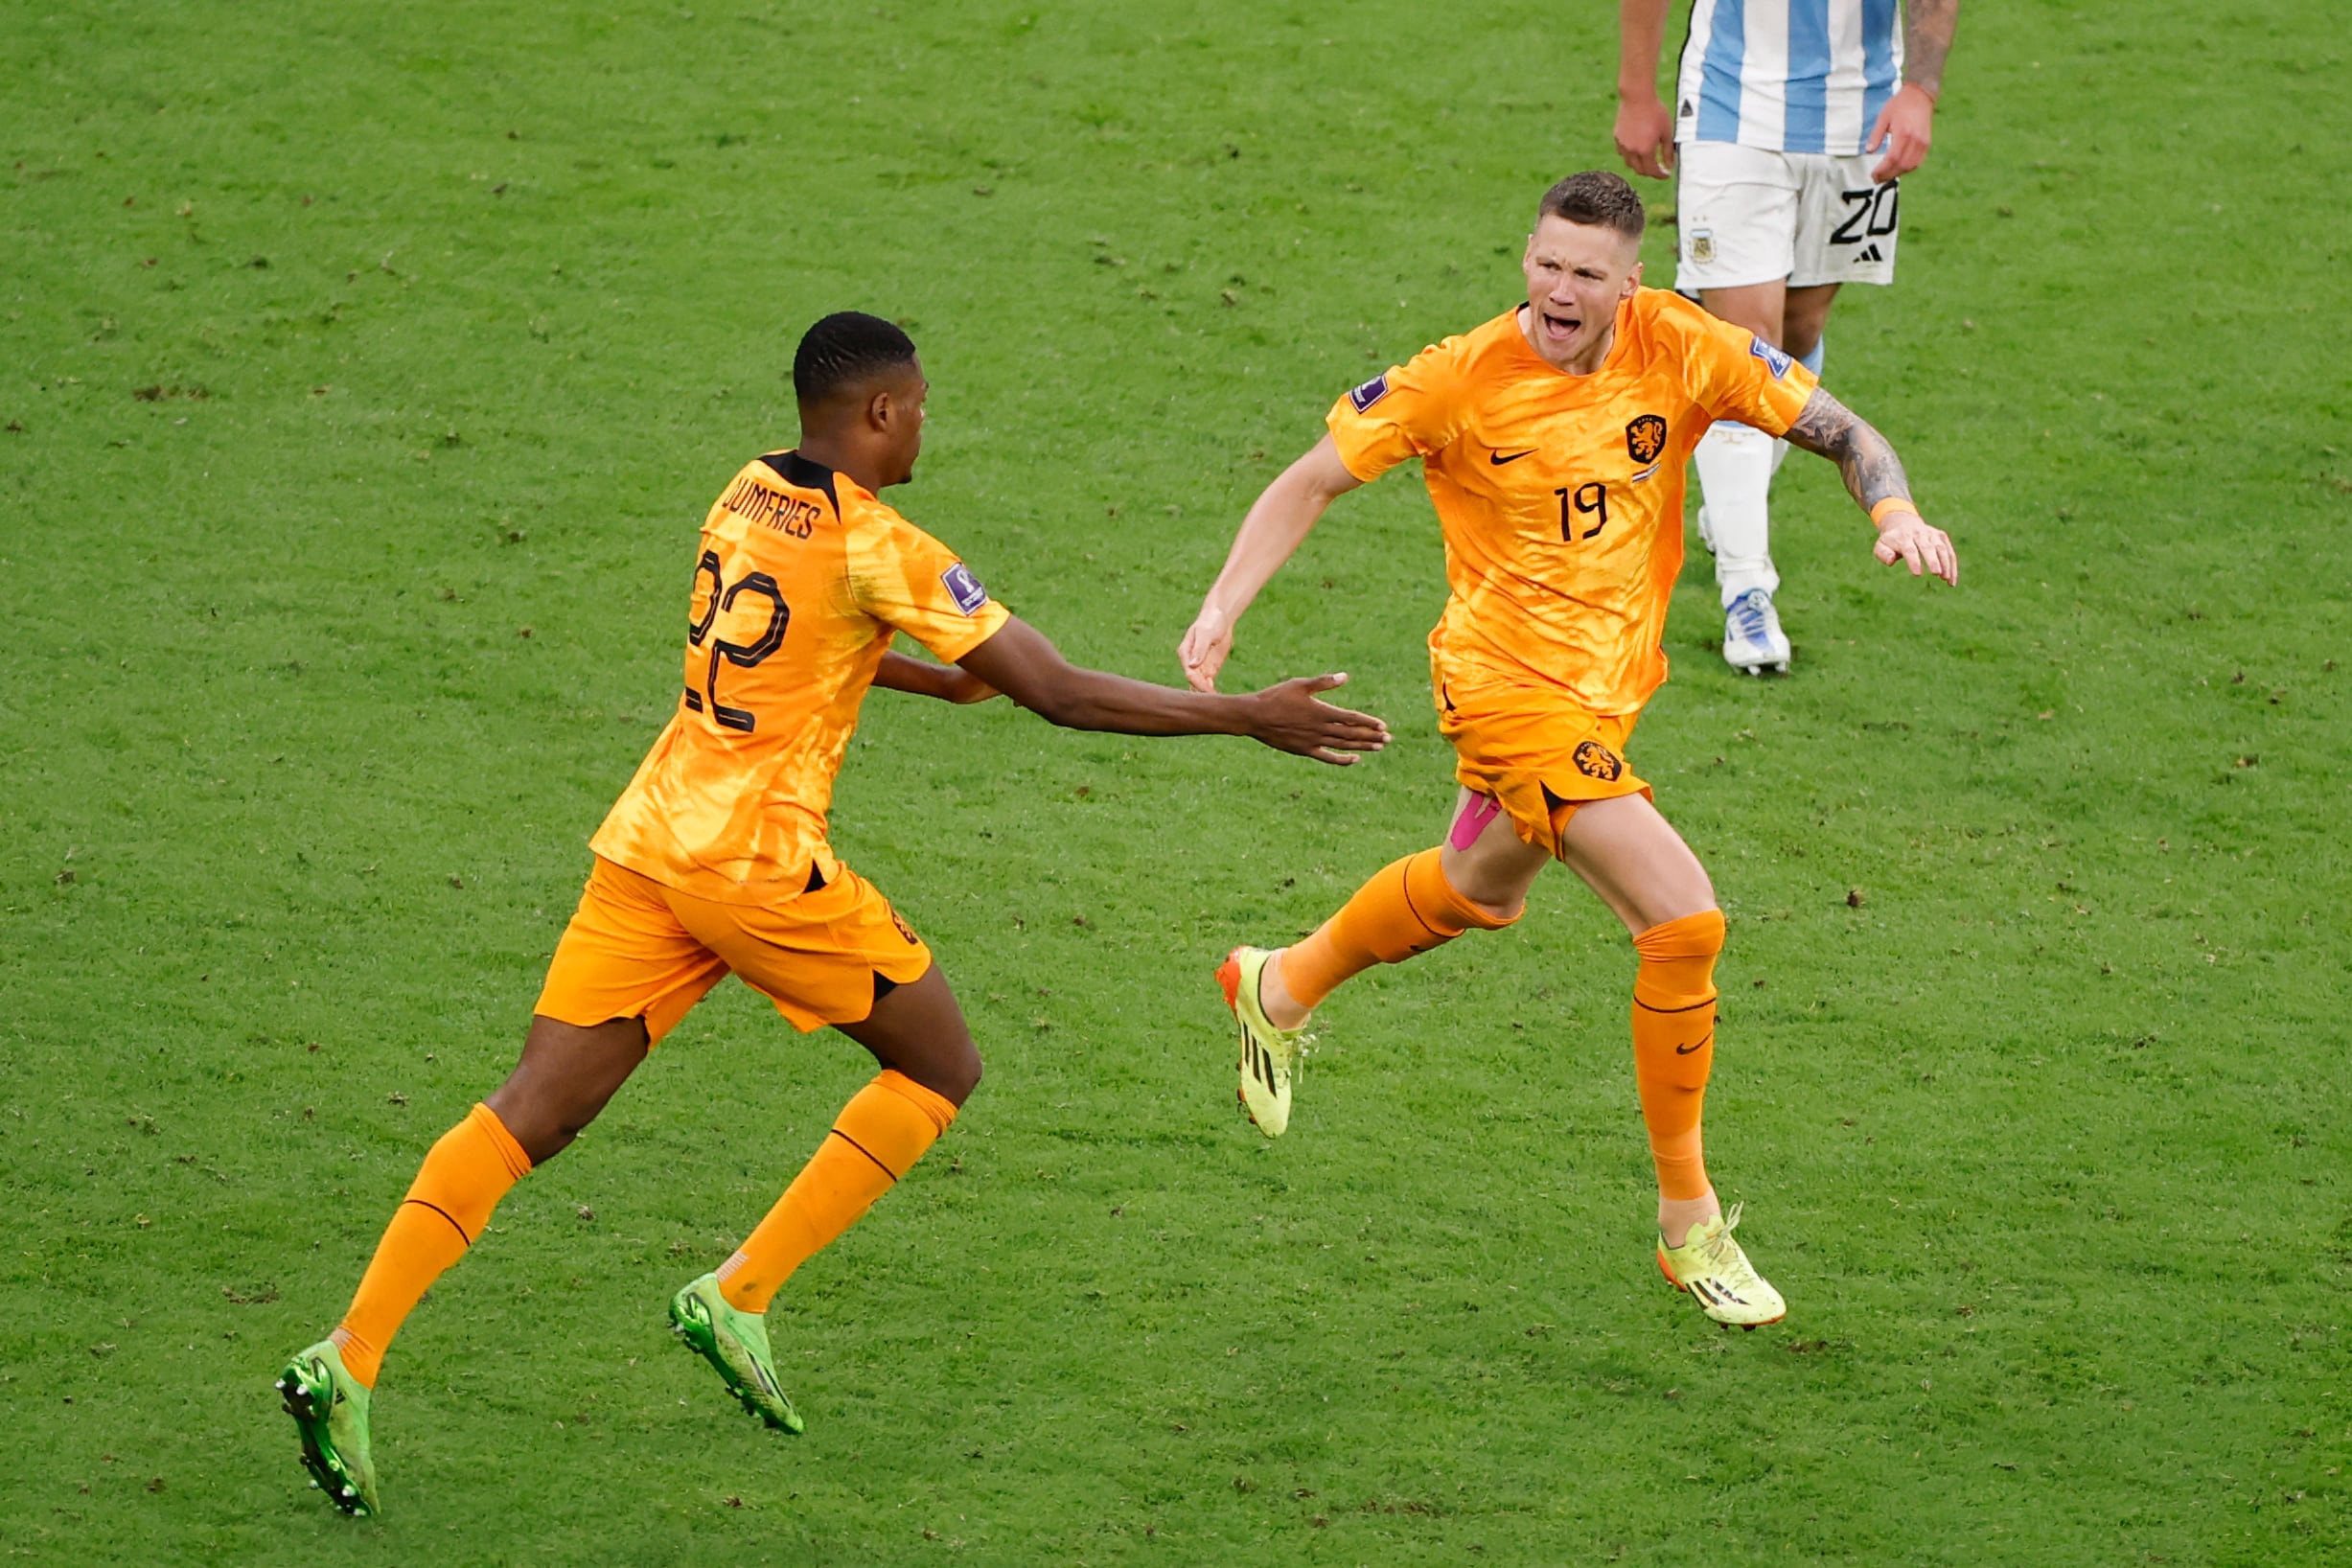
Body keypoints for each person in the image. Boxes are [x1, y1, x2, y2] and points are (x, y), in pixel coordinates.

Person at [276, 311, 1391, 1516]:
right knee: (939, 1064)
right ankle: (741, 1292)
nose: (925, 421)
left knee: (528, 1112)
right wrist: (1246, 716)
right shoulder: (881, 543)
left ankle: (350, 1352)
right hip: (756, 864)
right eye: (917, 404)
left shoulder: (748, 491)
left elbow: (793, 639)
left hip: (651, 836)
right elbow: (1060, 695)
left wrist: (907, 664)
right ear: (875, 413)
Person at [1177, 173, 1954, 1328]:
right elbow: (1311, 480)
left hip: (1603, 701)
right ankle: (1689, 1225)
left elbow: (1843, 431)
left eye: (1588, 273)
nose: (1560, 290)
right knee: (1683, 919)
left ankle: (1277, 984)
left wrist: (1895, 513)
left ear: (1629, 283)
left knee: (1474, 891)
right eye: (1546, 264)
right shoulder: (1459, 377)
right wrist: (1225, 605)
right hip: (1500, 692)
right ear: (1526, 261)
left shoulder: (1682, 346)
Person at [1614, 0, 1961, 673]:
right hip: (1727, 108)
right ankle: (1747, 587)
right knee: (1745, 346)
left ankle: (1730, 498)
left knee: (1799, 334)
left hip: (1861, 116)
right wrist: (1637, 90)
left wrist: (1920, 90)